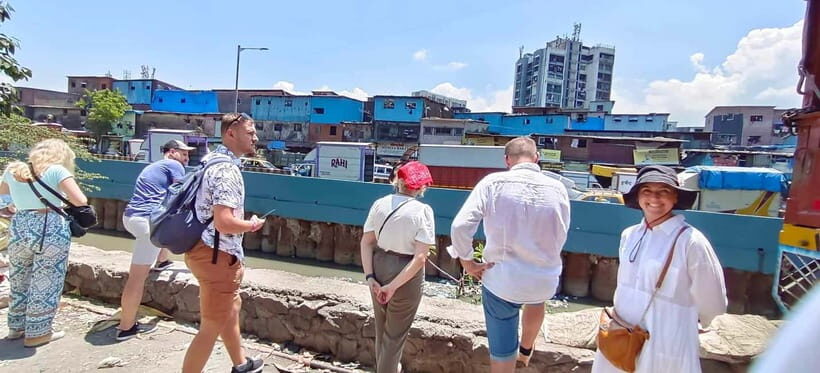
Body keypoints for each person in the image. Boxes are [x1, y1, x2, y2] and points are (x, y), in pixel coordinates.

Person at [448, 136, 570, 372]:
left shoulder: (493, 183)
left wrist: (468, 261)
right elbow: (561, 231)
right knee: (536, 301)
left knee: (502, 344)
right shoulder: (558, 188)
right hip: (543, 278)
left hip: (502, 280)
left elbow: (460, 226)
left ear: (507, 160)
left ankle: (506, 362)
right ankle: (525, 351)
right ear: (537, 158)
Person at [592, 165, 727, 373]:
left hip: (666, 335)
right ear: (638, 196)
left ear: (675, 198)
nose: (654, 198)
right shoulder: (630, 235)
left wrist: (696, 322)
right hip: (621, 333)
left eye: (663, 191)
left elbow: (713, 300)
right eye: (647, 191)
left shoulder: (690, 242)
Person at [182, 113, 266, 373]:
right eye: (250, 132)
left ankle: (240, 363)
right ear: (231, 133)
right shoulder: (227, 170)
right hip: (218, 256)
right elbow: (224, 222)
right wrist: (252, 225)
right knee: (211, 325)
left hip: (204, 250)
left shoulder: (210, 161)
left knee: (231, 307)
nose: (256, 138)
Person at [1, 139, 88, 347]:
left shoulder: (14, 170)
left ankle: (16, 327)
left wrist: (16, 204)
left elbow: (2, 195)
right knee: (46, 279)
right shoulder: (57, 171)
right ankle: (37, 333)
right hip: (49, 227)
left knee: (19, 276)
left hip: (20, 226)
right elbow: (80, 201)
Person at [360, 161, 436, 373]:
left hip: (379, 265)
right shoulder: (423, 211)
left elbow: (366, 243)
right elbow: (421, 257)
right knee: (394, 337)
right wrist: (393, 287)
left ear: (398, 181)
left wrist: (370, 277)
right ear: (421, 186)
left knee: (381, 330)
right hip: (406, 272)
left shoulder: (380, 204)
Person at [116, 139, 194, 341]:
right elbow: (180, 194)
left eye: (187, 155)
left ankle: (162, 260)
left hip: (131, 217)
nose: (186, 158)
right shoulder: (173, 165)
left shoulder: (154, 167)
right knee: (136, 278)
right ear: (171, 152)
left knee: (164, 227)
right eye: (183, 153)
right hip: (147, 223)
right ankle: (126, 327)